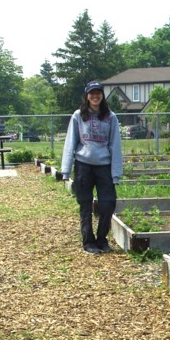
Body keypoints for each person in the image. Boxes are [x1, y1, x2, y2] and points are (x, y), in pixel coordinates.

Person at [61, 81, 123, 254]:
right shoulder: (78, 116)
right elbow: (70, 142)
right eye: (92, 93)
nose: (95, 96)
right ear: (86, 96)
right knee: (85, 205)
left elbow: (115, 145)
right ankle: (88, 242)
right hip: (83, 166)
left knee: (108, 203)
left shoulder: (110, 117)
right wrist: (66, 170)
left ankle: (102, 239)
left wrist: (116, 173)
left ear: (102, 95)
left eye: (98, 93)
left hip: (104, 166)